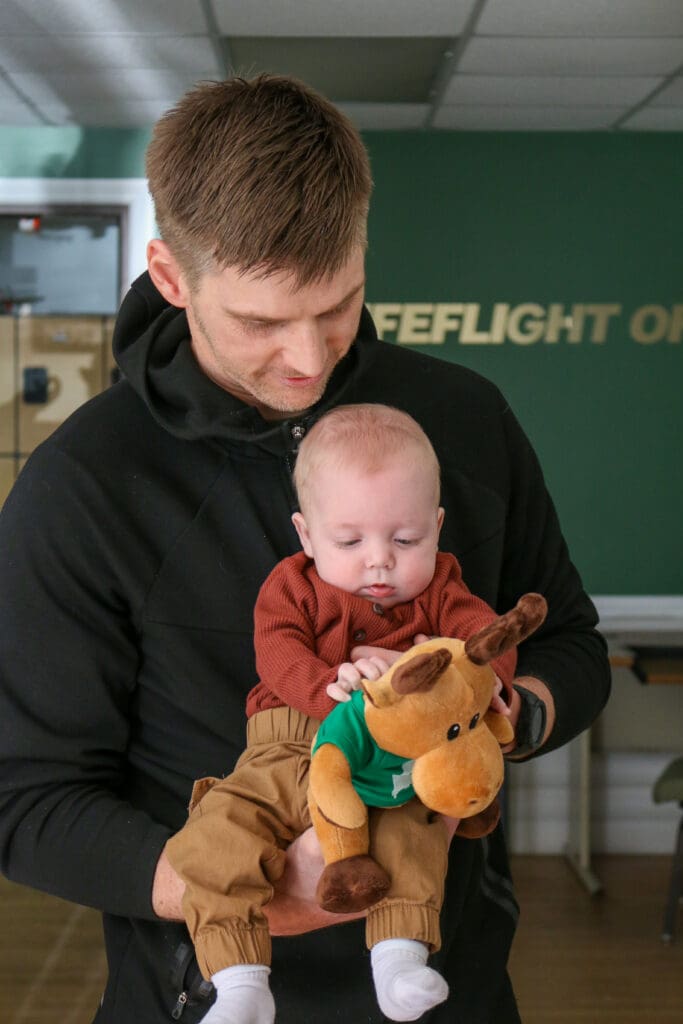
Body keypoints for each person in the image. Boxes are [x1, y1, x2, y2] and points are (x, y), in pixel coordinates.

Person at [0, 74, 610, 1024]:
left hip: (453, 991)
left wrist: (504, 714)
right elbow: (23, 800)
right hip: (196, 996)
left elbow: (570, 642)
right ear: (170, 276)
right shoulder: (84, 483)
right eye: (259, 321)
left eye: (338, 305)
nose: (310, 359)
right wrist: (229, 889)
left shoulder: (465, 419)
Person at [166, 402, 517, 1024]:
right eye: (350, 540)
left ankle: (400, 957)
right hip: (285, 748)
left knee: (408, 836)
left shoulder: (441, 586)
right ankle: (239, 979)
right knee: (217, 835)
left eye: (405, 539)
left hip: (384, 763)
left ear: (437, 527)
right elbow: (276, 651)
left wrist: (480, 680)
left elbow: (480, 637)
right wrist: (331, 685)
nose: (379, 561)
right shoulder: (292, 585)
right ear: (306, 534)